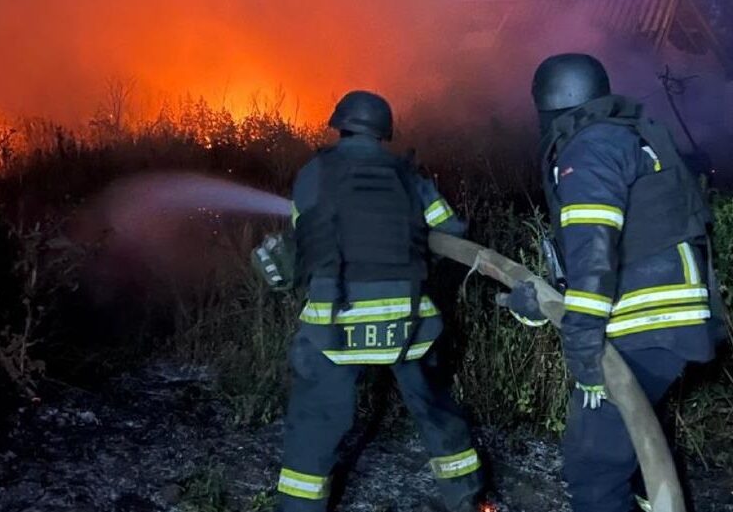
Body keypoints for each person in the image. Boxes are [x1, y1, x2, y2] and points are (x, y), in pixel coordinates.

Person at [503, 54, 719, 512]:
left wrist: (585, 355)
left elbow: (594, 252)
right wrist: (543, 303)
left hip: (644, 324)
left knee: (595, 466)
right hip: (668, 320)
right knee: (641, 450)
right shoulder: (626, 136)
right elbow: (613, 253)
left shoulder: (588, 148)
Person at [275, 90, 483, 512]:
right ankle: (466, 497)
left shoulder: (315, 173)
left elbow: (304, 240)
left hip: (335, 321)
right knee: (435, 408)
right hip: (408, 324)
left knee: (316, 422)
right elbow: (451, 232)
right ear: (384, 131)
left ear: (341, 125)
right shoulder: (410, 177)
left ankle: (299, 508)